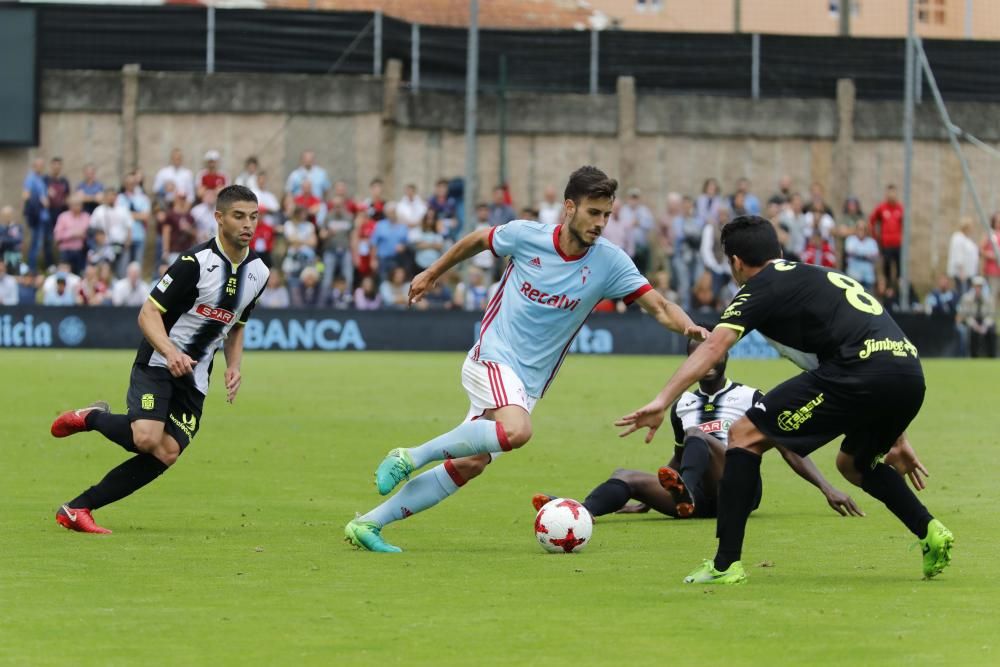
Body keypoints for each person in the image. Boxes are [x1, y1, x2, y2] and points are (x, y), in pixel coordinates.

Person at [344, 165, 707, 553]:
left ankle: (368, 524)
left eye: (606, 215)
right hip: (493, 355)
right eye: (593, 212)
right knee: (518, 432)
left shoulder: (610, 262)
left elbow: (661, 306)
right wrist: (434, 272)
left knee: (472, 462)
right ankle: (409, 456)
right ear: (569, 207)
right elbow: (480, 239)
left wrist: (691, 330)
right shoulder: (526, 235)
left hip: (528, 382)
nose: (601, 223)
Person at [617, 215, 953, 585]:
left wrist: (664, 400)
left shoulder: (760, 287)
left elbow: (713, 345)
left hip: (860, 370)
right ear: (777, 250)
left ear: (735, 262)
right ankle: (930, 531)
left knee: (744, 434)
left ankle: (726, 565)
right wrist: (898, 437)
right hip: (909, 373)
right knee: (854, 464)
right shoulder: (816, 275)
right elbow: (879, 351)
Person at [48, 185, 269, 534]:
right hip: (158, 362)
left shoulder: (259, 272)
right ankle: (92, 418)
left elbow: (237, 325)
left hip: (195, 379)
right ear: (219, 218)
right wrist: (170, 352)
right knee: (147, 437)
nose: (248, 225)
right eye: (239, 216)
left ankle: (77, 508)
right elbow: (147, 313)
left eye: (253, 217)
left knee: (166, 452)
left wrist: (235, 367)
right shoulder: (193, 264)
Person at [533, 338, 860, 521]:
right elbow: (680, 458)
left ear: (725, 354)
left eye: (712, 355)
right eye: (698, 358)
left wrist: (826, 488)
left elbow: (788, 447)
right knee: (626, 475)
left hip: (740, 491)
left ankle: (684, 494)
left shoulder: (750, 397)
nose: (708, 363)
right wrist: (647, 497)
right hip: (698, 498)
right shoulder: (682, 406)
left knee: (697, 436)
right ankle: (577, 512)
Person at [869, 184, 904, 291]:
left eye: (893, 193)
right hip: (886, 244)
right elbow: (872, 221)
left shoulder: (900, 208)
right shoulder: (882, 208)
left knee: (899, 268)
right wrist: (876, 237)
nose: (891, 195)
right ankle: (887, 289)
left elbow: (904, 224)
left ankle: (897, 289)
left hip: (898, 244)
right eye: (889, 193)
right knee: (887, 267)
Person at [958, 276, 996, 358]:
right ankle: (973, 356)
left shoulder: (989, 299)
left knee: (992, 330)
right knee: (972, 332)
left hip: (985, 322)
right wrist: (975, 326)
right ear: (973, 287)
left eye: (980, 286)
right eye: (976, 286)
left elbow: (991, 315)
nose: (978, 288)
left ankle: (992, 356)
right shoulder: (967, 298)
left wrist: (985, 326)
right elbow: (965, 315)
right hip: (973, 323)